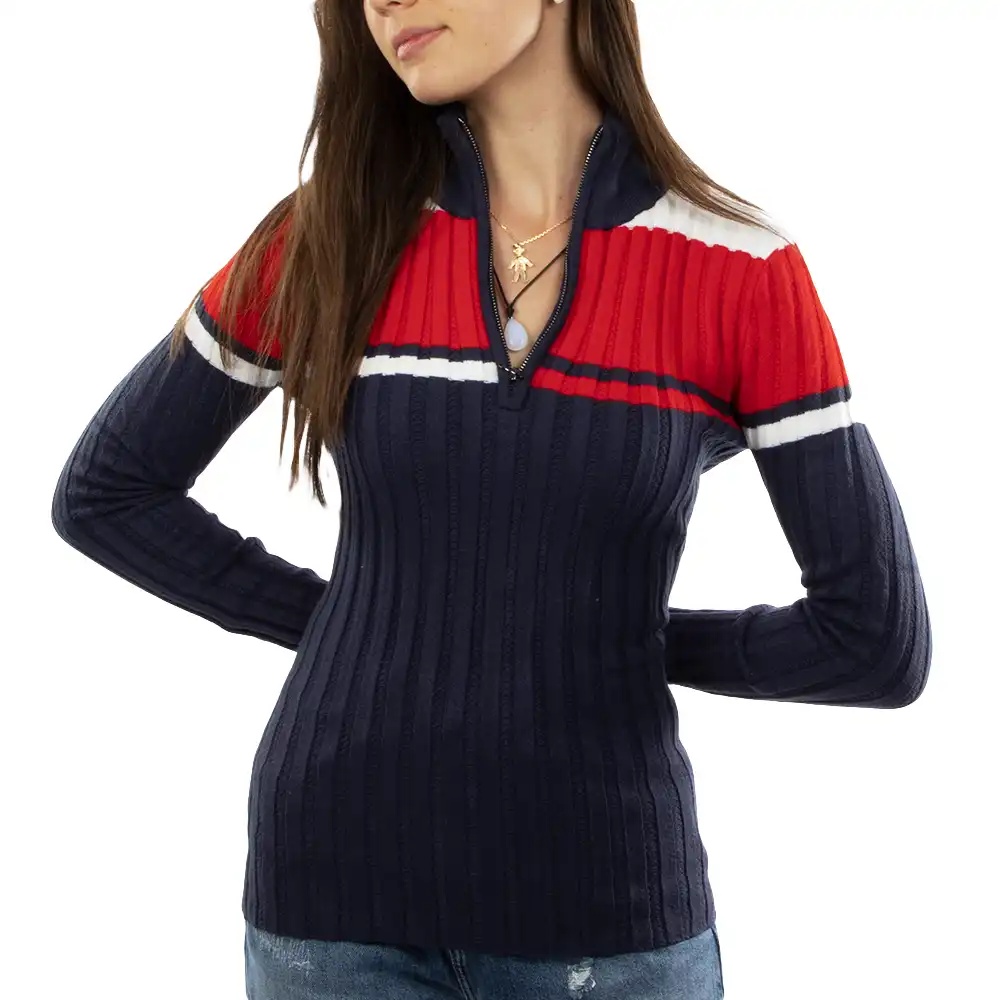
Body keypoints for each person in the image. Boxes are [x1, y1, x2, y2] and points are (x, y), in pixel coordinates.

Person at [50, 0, 932, 997]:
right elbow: (108, 493)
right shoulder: (329, 234)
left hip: (606, 921)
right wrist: (350, 626)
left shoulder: (738, 271)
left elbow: (874, 641)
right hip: (331, 910)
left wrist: (615, 641)